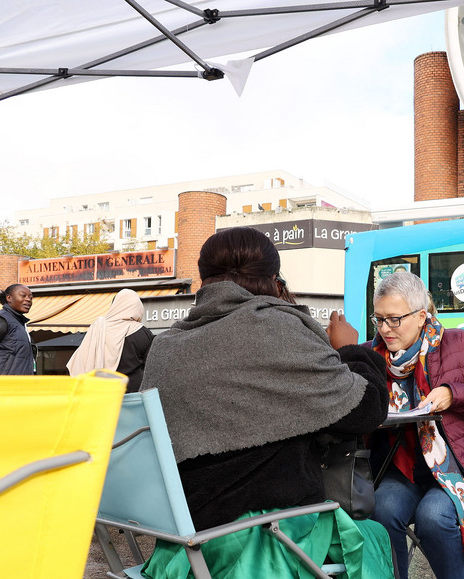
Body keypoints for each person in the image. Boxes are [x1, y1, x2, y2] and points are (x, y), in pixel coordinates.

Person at [139, 227, 394, 577]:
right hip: (265, 536)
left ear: (204, 279)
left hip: (184, 545)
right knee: (376, 535)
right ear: (274, 280)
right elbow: (366, 410)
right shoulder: (276, 329)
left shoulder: (165, 346)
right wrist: (349, 350)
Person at [365, 270, 464, 579]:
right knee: (381, 511)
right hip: (399, 469)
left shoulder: (458, 343)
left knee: (433, 517)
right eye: (378, 319)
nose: (385, 329)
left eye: (394, 319)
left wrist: (453, 393)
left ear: (421, 316)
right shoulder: (370, 355)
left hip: (459, 468)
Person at [66, 289, 154, 392]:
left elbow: (81, 360)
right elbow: (150, 366)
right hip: (133, 394)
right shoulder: (142, 333)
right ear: (137, 307)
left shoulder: (97, 328)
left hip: (102, 394)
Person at [0, 284, 35, 375]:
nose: (28, 300)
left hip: (20, 385)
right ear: (9, 298)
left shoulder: (20, 323)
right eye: (23, 296)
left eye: (31, 297)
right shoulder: (1, 320)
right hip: (4, 385)